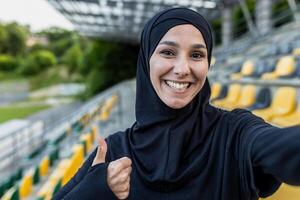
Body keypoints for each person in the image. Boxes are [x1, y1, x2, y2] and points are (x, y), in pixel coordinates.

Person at [53, 7, 300, 200]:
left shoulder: (235, 133)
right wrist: (96, 189)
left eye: (196, 55)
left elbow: (281, 147)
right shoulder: (113, 151)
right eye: (168, 52)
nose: (182, 69)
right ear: (147, 60)